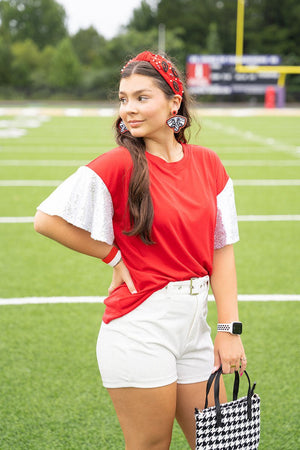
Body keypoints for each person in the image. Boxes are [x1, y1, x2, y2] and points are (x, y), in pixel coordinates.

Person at [34, 51, 247, 450]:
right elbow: (46, 219)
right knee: (151, 445)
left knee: (223, 444)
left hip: (195, 327)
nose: (128, 109)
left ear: (174, 101)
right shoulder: (118, 164)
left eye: (141, 97)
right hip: (140, 328)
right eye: (122, 98)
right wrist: (112, 255)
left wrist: (228, 330)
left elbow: (222, 250)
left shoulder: (208, 164)